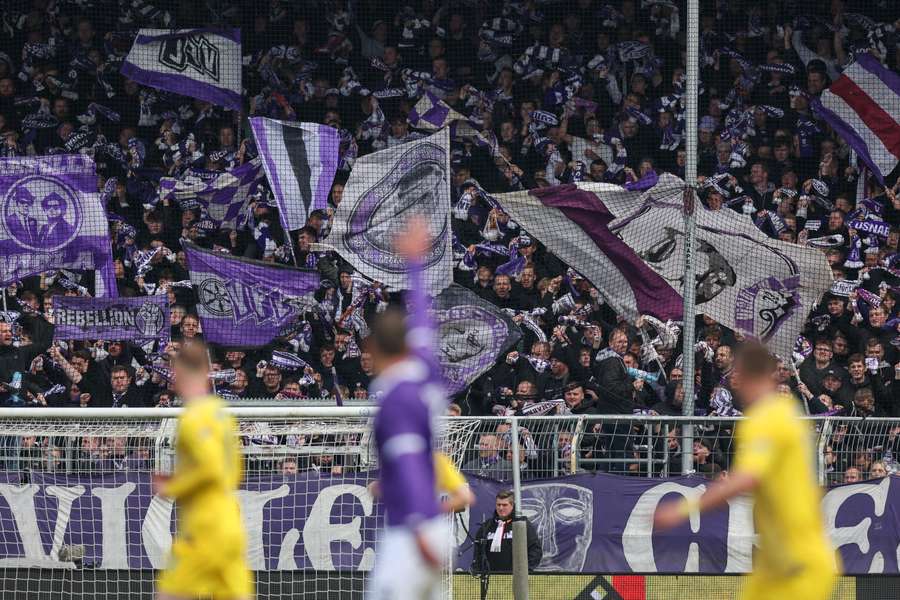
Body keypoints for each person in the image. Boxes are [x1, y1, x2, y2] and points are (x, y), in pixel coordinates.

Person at [654, 342, 837, 600]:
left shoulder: (768, 418)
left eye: (738, 373)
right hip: (774, 563)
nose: (735, 380)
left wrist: (680, 510)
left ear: (752, 375)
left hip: (796, 561)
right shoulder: (783, 412)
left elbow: (747, 478)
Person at [366, 219, 449, 600]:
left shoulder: (396, 399)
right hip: (431, 522)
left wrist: (417, 530)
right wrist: (414, 264)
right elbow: (421, 321)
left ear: (376, 352)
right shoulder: (425, 367)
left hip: (411, 532)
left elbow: (412, 461)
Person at [154, 342, 253, 600]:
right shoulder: (221, 412)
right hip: (231, 525)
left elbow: (212, 467)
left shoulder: (194, 417)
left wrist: (172, 487)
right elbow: (233, 467)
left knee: (168, 595)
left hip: (204, 528)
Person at [471, 490, 542, 574]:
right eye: (498, 505)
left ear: (512, 505)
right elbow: (478, 551)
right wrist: (479, 569)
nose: (501, 508)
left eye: (504, 505)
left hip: (516, 577)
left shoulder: (522, 524)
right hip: (490, 577)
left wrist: (526, 570)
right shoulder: (487, 526)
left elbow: (535, 549)